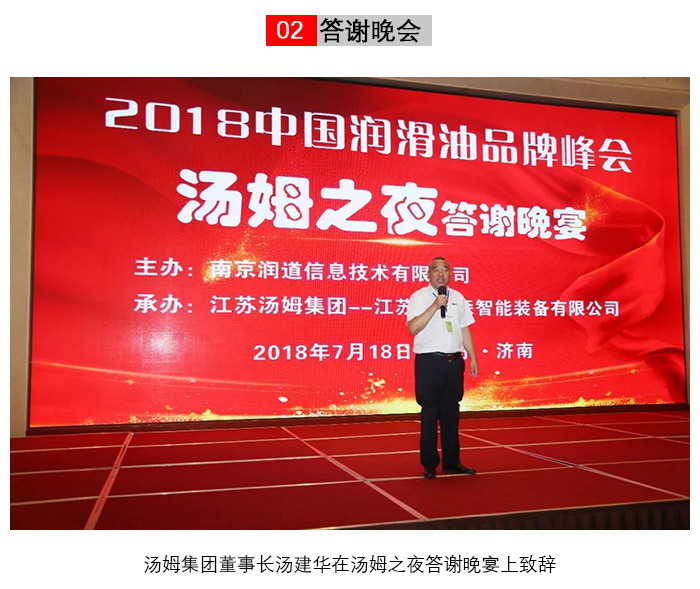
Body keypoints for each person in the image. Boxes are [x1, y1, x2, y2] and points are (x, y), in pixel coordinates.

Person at [406, 257, 479, 479]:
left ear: (450, 274)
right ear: (428, 274)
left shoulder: (458, 298)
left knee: (451, 412)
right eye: (436, 270)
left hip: (454, 362)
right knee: (430, 412)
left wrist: (472, 357)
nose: (441, 274)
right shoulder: (418, 297)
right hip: (429, 363)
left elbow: (464, 328)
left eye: (445, 270)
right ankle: (429, 464)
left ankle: (452, 462)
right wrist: (435, 305)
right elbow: (413, 328)